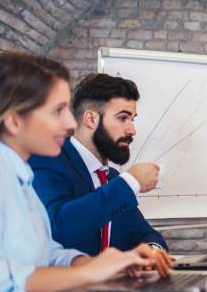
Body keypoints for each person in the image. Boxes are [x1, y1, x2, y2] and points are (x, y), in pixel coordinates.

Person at [0, 51, 167, 292]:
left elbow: (47, 252)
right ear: (14, 121)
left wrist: (101, 264)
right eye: (57, 110)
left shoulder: (19, 173)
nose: (71, 123)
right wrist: (88, 274)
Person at [29, 73, 172, 271]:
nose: (132, 130)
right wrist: (132, 182)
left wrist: (153, 251)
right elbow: (57, 229)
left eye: (132, 119)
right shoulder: (49, 159)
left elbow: (146, 235)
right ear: (91, 118)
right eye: (123, 118)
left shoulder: (111, 178)